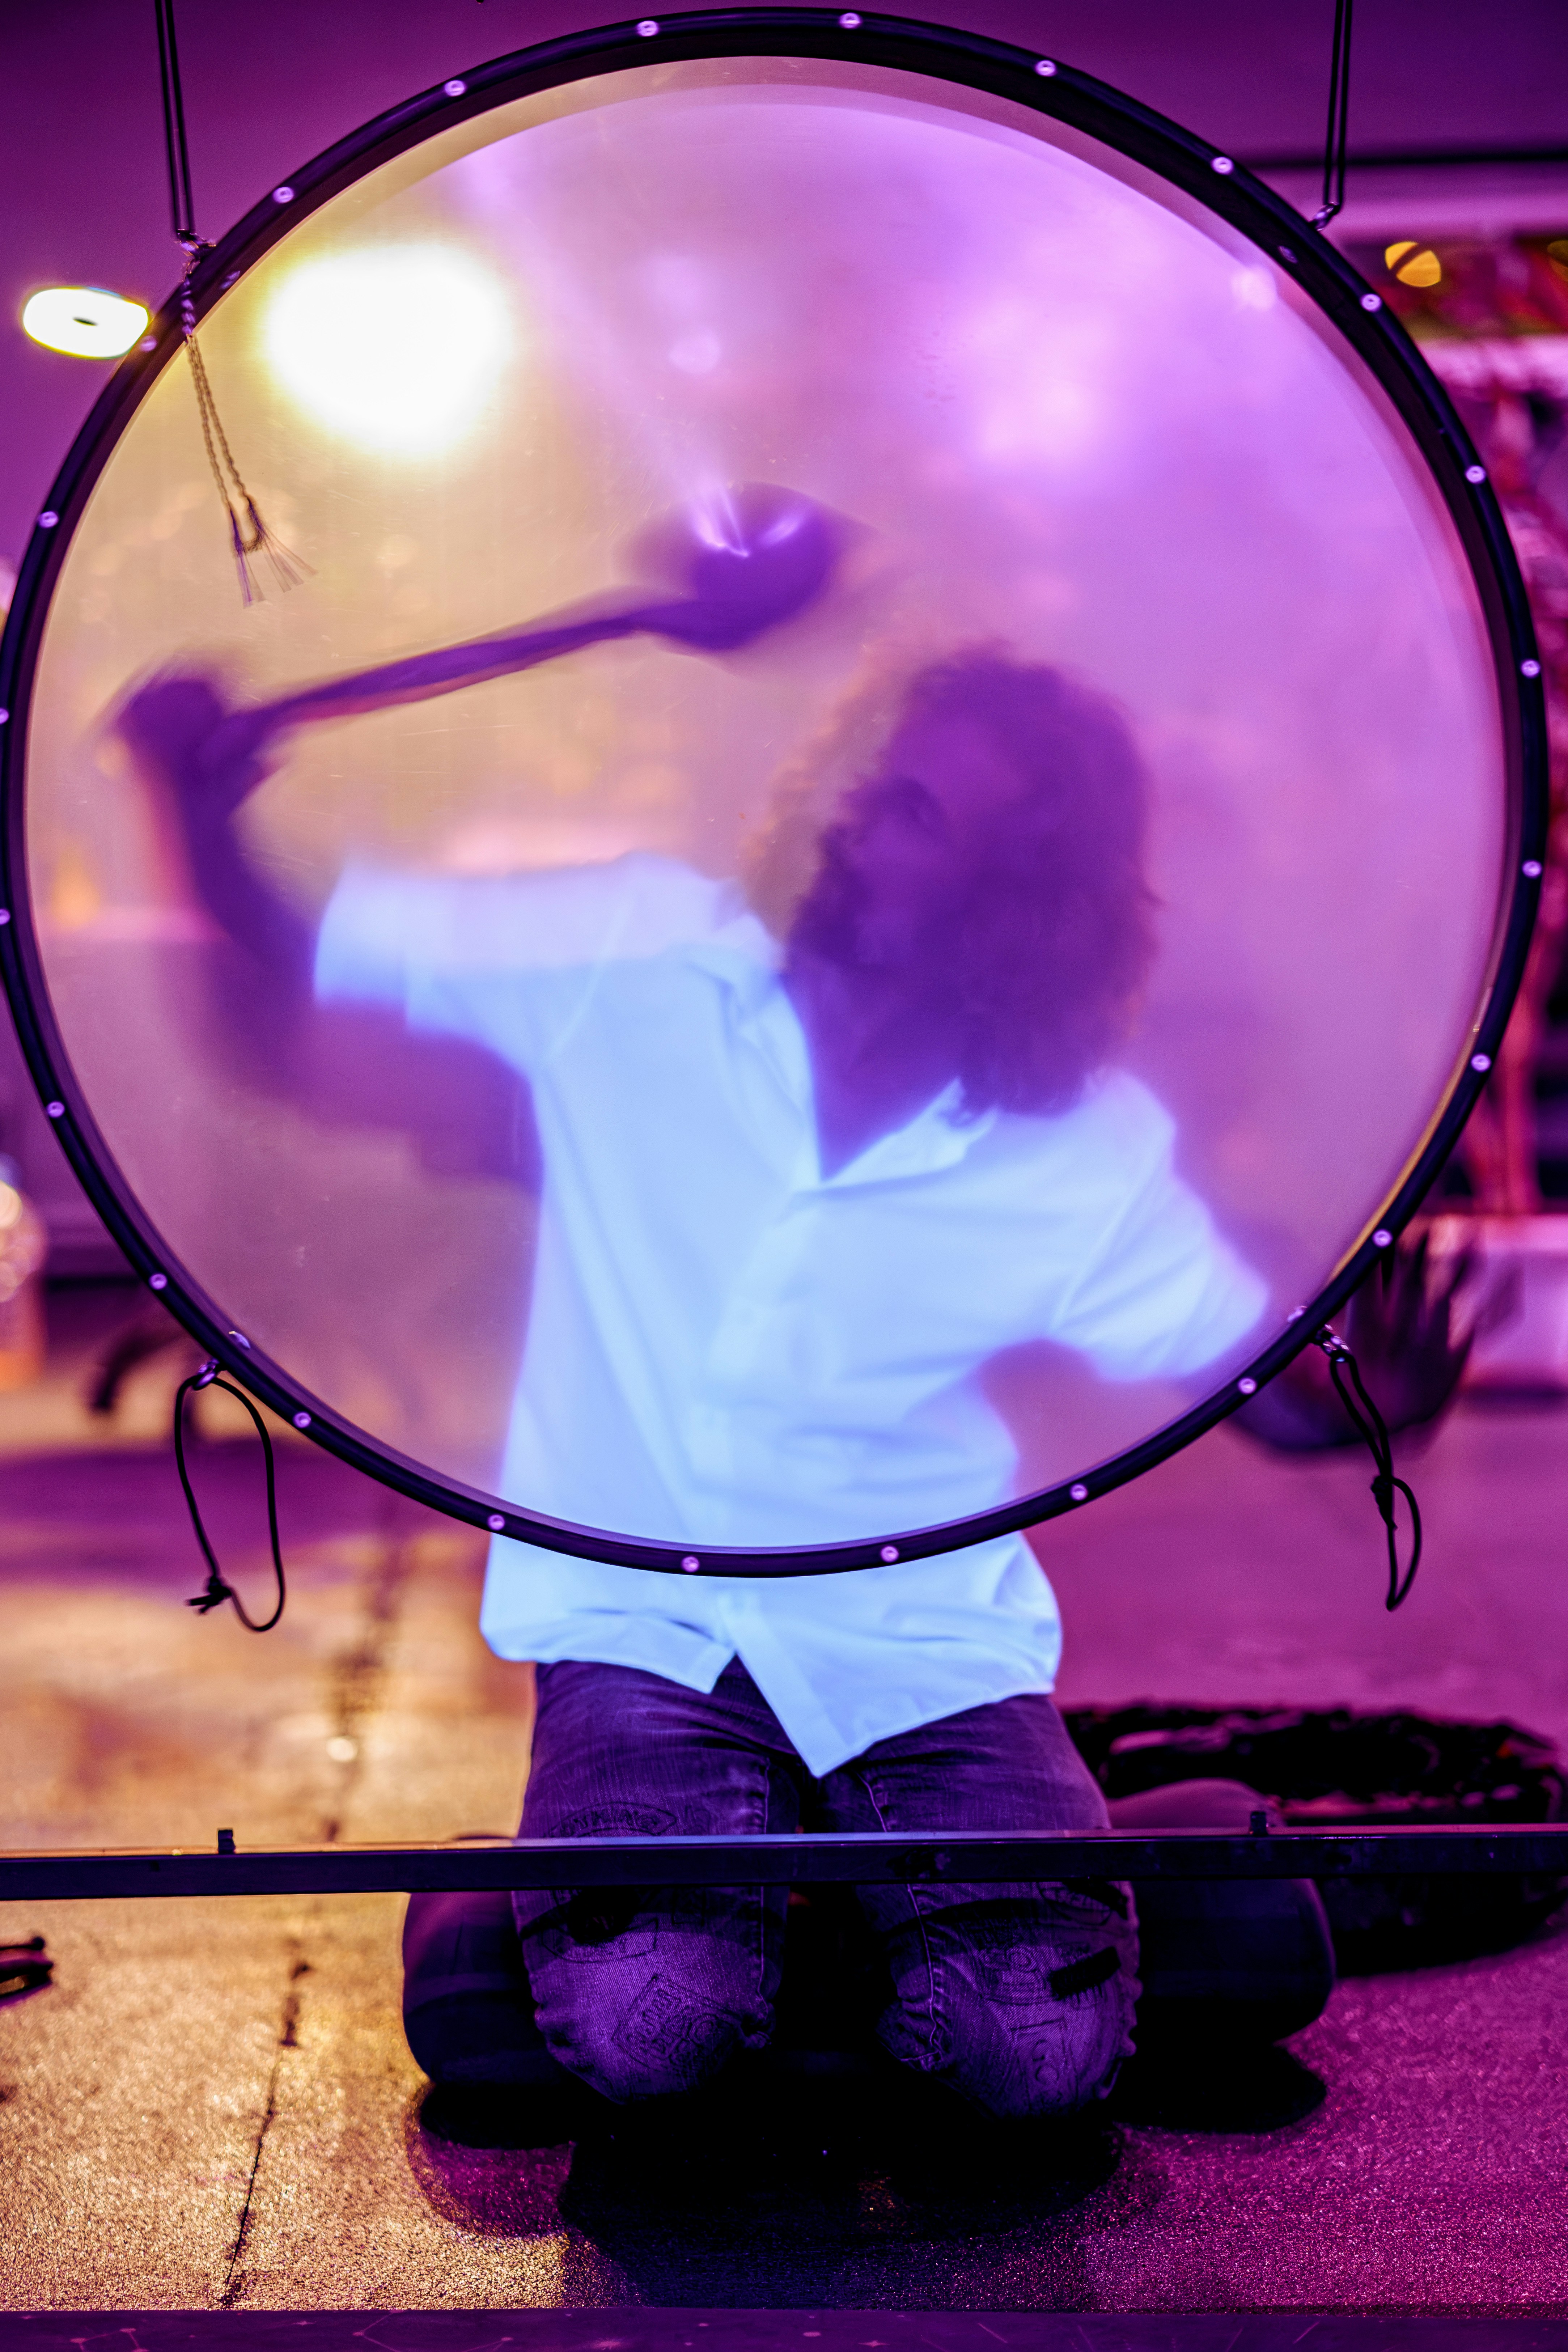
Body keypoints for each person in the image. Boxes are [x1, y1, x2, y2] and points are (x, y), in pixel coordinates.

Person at [120, 636, 1467, 2128]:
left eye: (914, 817)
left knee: (1034, 2056)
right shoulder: (638, 955)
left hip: (924, 1648)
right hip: (643, 1630)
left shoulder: (1077, 1145)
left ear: (1015, 900)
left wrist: (1368, 1409)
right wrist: (197, 813)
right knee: (649, 2029)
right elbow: (319, 941)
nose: (847, 820)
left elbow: (1246, 1381)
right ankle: (772, 1932)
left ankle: (721, 1928)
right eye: (866, 786)